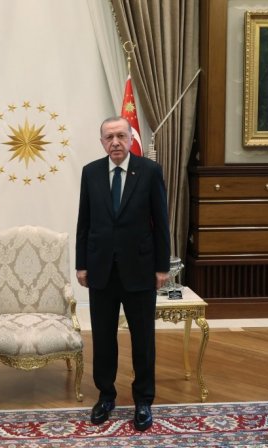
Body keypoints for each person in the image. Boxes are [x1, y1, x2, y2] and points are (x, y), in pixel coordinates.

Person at [75, 116, 170, 432]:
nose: (115, 142)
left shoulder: (150, 171)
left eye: (120, 136)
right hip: (101, 269)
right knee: (103, 338)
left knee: (143, 339)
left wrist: (162, 267)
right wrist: (81, 264)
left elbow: (161, 222)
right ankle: (106, 396)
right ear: (102, 142)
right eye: (109, 137)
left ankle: (143, 400)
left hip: (140, 269)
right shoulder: (91, 172)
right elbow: (84, 222)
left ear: (131, 138)